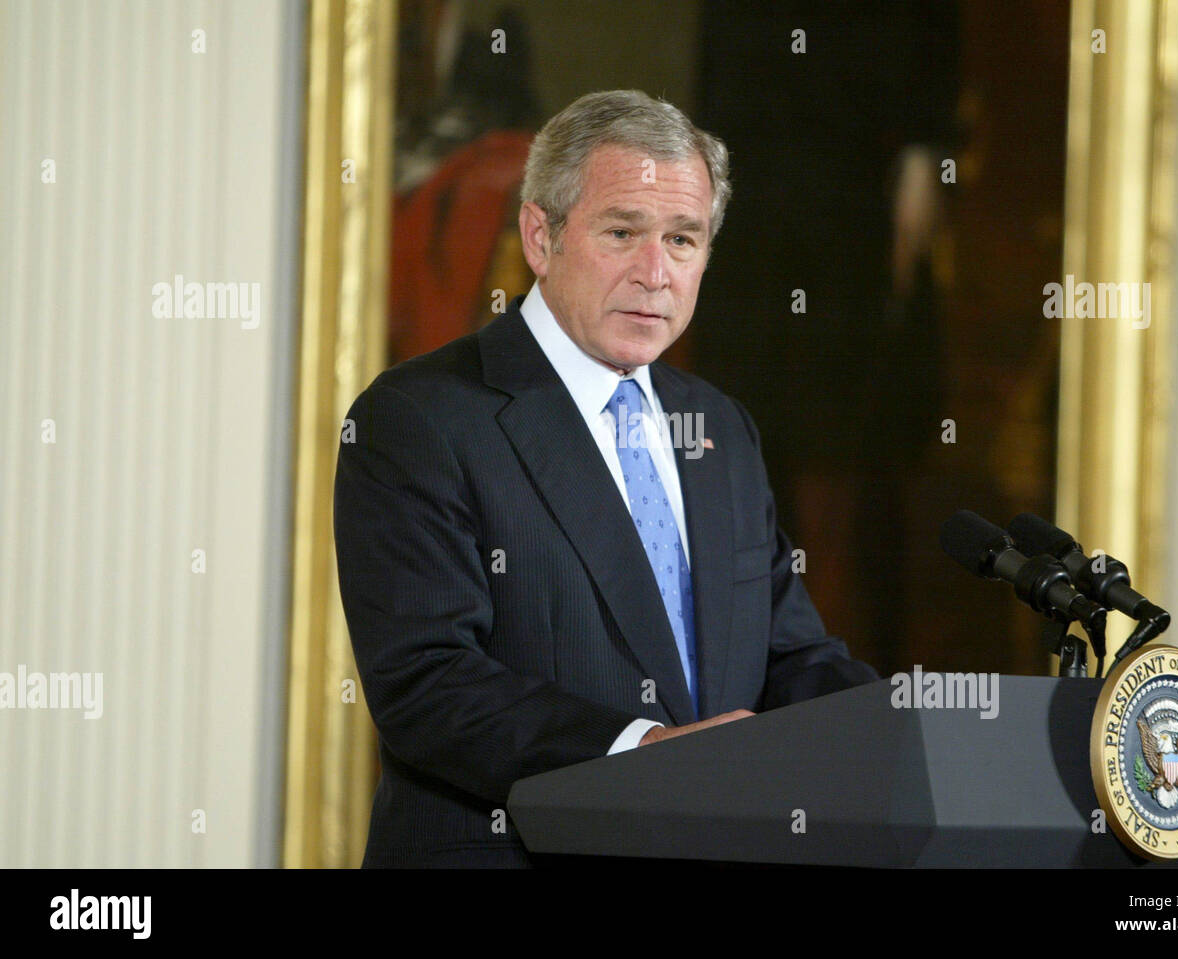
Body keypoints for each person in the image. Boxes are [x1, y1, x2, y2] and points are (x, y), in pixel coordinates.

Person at [334, 90, 879, 868]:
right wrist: (646, 754)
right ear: (539, 235)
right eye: (622, 232)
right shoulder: (421, 419)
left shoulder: (720, 428)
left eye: (683, 240)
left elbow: (788, 657)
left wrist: (906, 728)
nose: (655, 273)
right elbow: (427, 682)